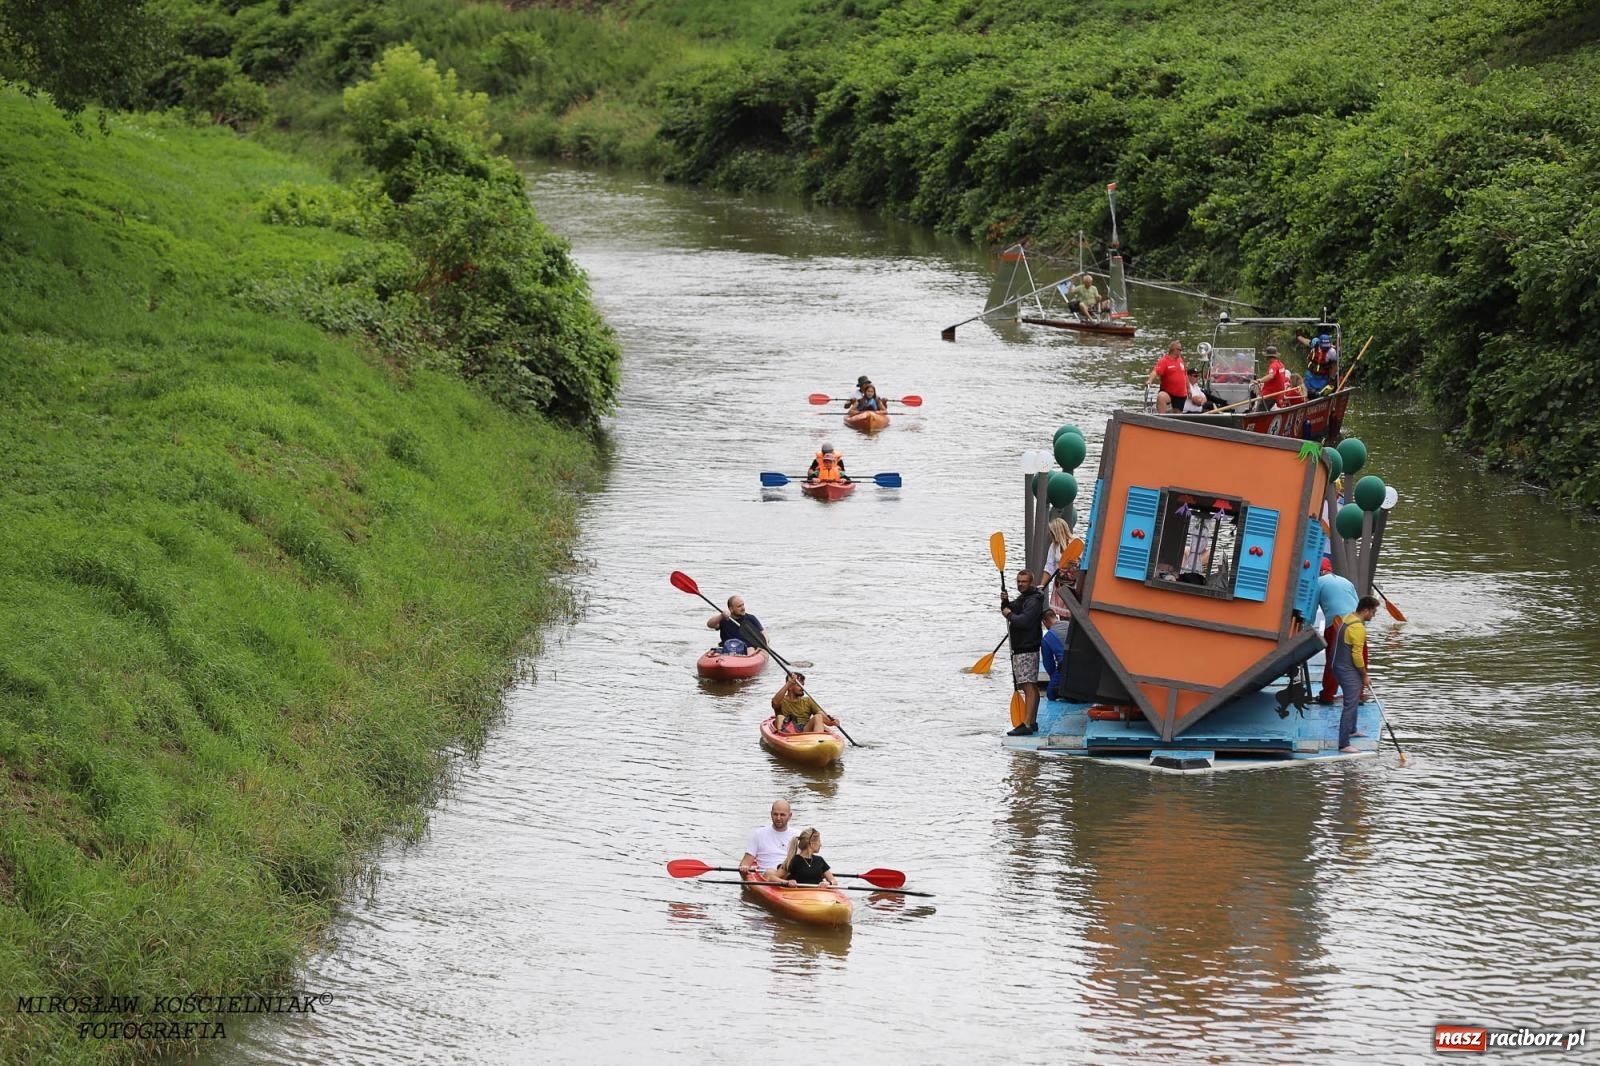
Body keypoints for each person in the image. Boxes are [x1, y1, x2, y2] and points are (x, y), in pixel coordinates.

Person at [1330, 596, 1379, 753]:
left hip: (1338, 664)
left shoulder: (1348, 617)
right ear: (1365, 610)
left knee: (1355, 695)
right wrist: (1364, 675)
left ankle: (1352, 729)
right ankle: (1344, 744)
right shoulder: (1358, 628)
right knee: (1350, 704)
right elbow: (1357, 655)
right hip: (1345, 668)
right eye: (1373, 611)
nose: (1374, 615)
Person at [1001, 568, 1046, 735]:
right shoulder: (1025, 598)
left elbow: (1024, 621)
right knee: (1029, 685)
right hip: (1022, 646)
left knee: (1028, 685)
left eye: (1024, 582)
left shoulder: (1034, 600)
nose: (1020, 584)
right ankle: (1031, 722)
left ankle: (1026, 724)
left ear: (1031, 582)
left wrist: (1009, 615)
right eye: (1018, 582)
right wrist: (1005, 603)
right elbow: (1011, 608)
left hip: (1027, 647)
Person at [1313, 560, 1359, 704]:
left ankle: (1327, 696)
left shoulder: (1318, 583)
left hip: (1337, 625)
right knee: (1357, 660)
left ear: (1318, 572)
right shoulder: (1346, 582)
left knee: (1334, 662)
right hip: (1357, 624)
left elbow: (1311, 609)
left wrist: (1304, 627)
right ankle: (1359, 694)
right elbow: (1358, 604)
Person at [739, 800, 797, 879]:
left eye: (782, 815)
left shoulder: (798, 835)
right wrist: (744, 869)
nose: (778, 818)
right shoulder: (758, 834)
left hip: (790, 876)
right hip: (766, 878)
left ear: (790, 816)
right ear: (771, 814)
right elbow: (745, 863)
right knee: (770, 873)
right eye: (775, 814)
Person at [771, 672, 838, 733]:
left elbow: (821, 715)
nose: (802, 688)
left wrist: (831, 721)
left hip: (805, 731)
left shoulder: (808, 700)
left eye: (803, 685)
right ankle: (783, 738)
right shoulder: (781, 700)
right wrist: (789, 683)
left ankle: (818, 740)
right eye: (799, 685)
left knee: (818, 717)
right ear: (790, 687)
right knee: (780, 717)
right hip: (788, 731)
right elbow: (775, 702)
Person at [1146, 340, 1188, 413]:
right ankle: (1162, 419)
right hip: (1168, 392)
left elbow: (1185, 375)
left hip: (1181, 394)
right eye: (1179, 350)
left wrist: (1189, 388)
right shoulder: (1164, 361)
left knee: (1177, 415)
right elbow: (1155, 371)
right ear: (1174, 349)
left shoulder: (1180, 360)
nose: (1180, 351)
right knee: (1161, 397)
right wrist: (1150, 380)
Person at [1040, 608, 1069, 701]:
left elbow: (1049, 665)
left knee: (1050, 693)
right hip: (1086, 667)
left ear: (1044, 621)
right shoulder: (1070, 625)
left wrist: (1054, 680)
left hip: (1065, 668)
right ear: (1056, 617)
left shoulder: (1047, 638)